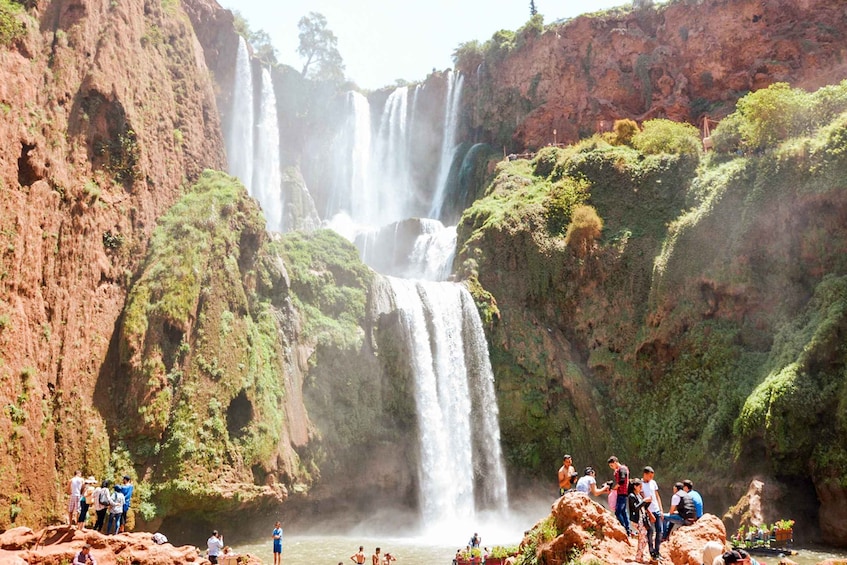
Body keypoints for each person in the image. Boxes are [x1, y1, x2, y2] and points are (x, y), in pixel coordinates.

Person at [641, 466, 663, 560]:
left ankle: (657, 551)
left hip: (657, 510)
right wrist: (649, 513)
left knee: (660, 531)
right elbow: (642, 500)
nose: (651, 478)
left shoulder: (653, 483)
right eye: (650, 476)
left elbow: (657, 496)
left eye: (652, 476)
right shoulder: (640, 484)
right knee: (650, 532)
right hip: (648, 511)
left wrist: (661, 510)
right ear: (645, 474)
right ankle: (651, 552)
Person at [628, 479, 651, 563]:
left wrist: (648, 502)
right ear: (635, 486)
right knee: (643, 539)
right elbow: (635, 508)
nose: (641, 488)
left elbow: (643, 507)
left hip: (641, 519)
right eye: (640, 486)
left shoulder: (638, 495)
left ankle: (640, 556)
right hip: (637, 520)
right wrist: (644, 501)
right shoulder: (631, 496)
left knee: (643, 539)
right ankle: (638, 557)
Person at [608, 456, 631, 536]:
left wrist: (616, 487)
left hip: (622, 493)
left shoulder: (622, 468)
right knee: (624, 512)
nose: (612, 467)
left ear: (615, 462)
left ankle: (624, 528)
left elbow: (622, 480)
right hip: (621, 493)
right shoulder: (619, 470)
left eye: (611, 465)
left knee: (618, 512)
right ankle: (628, 530)